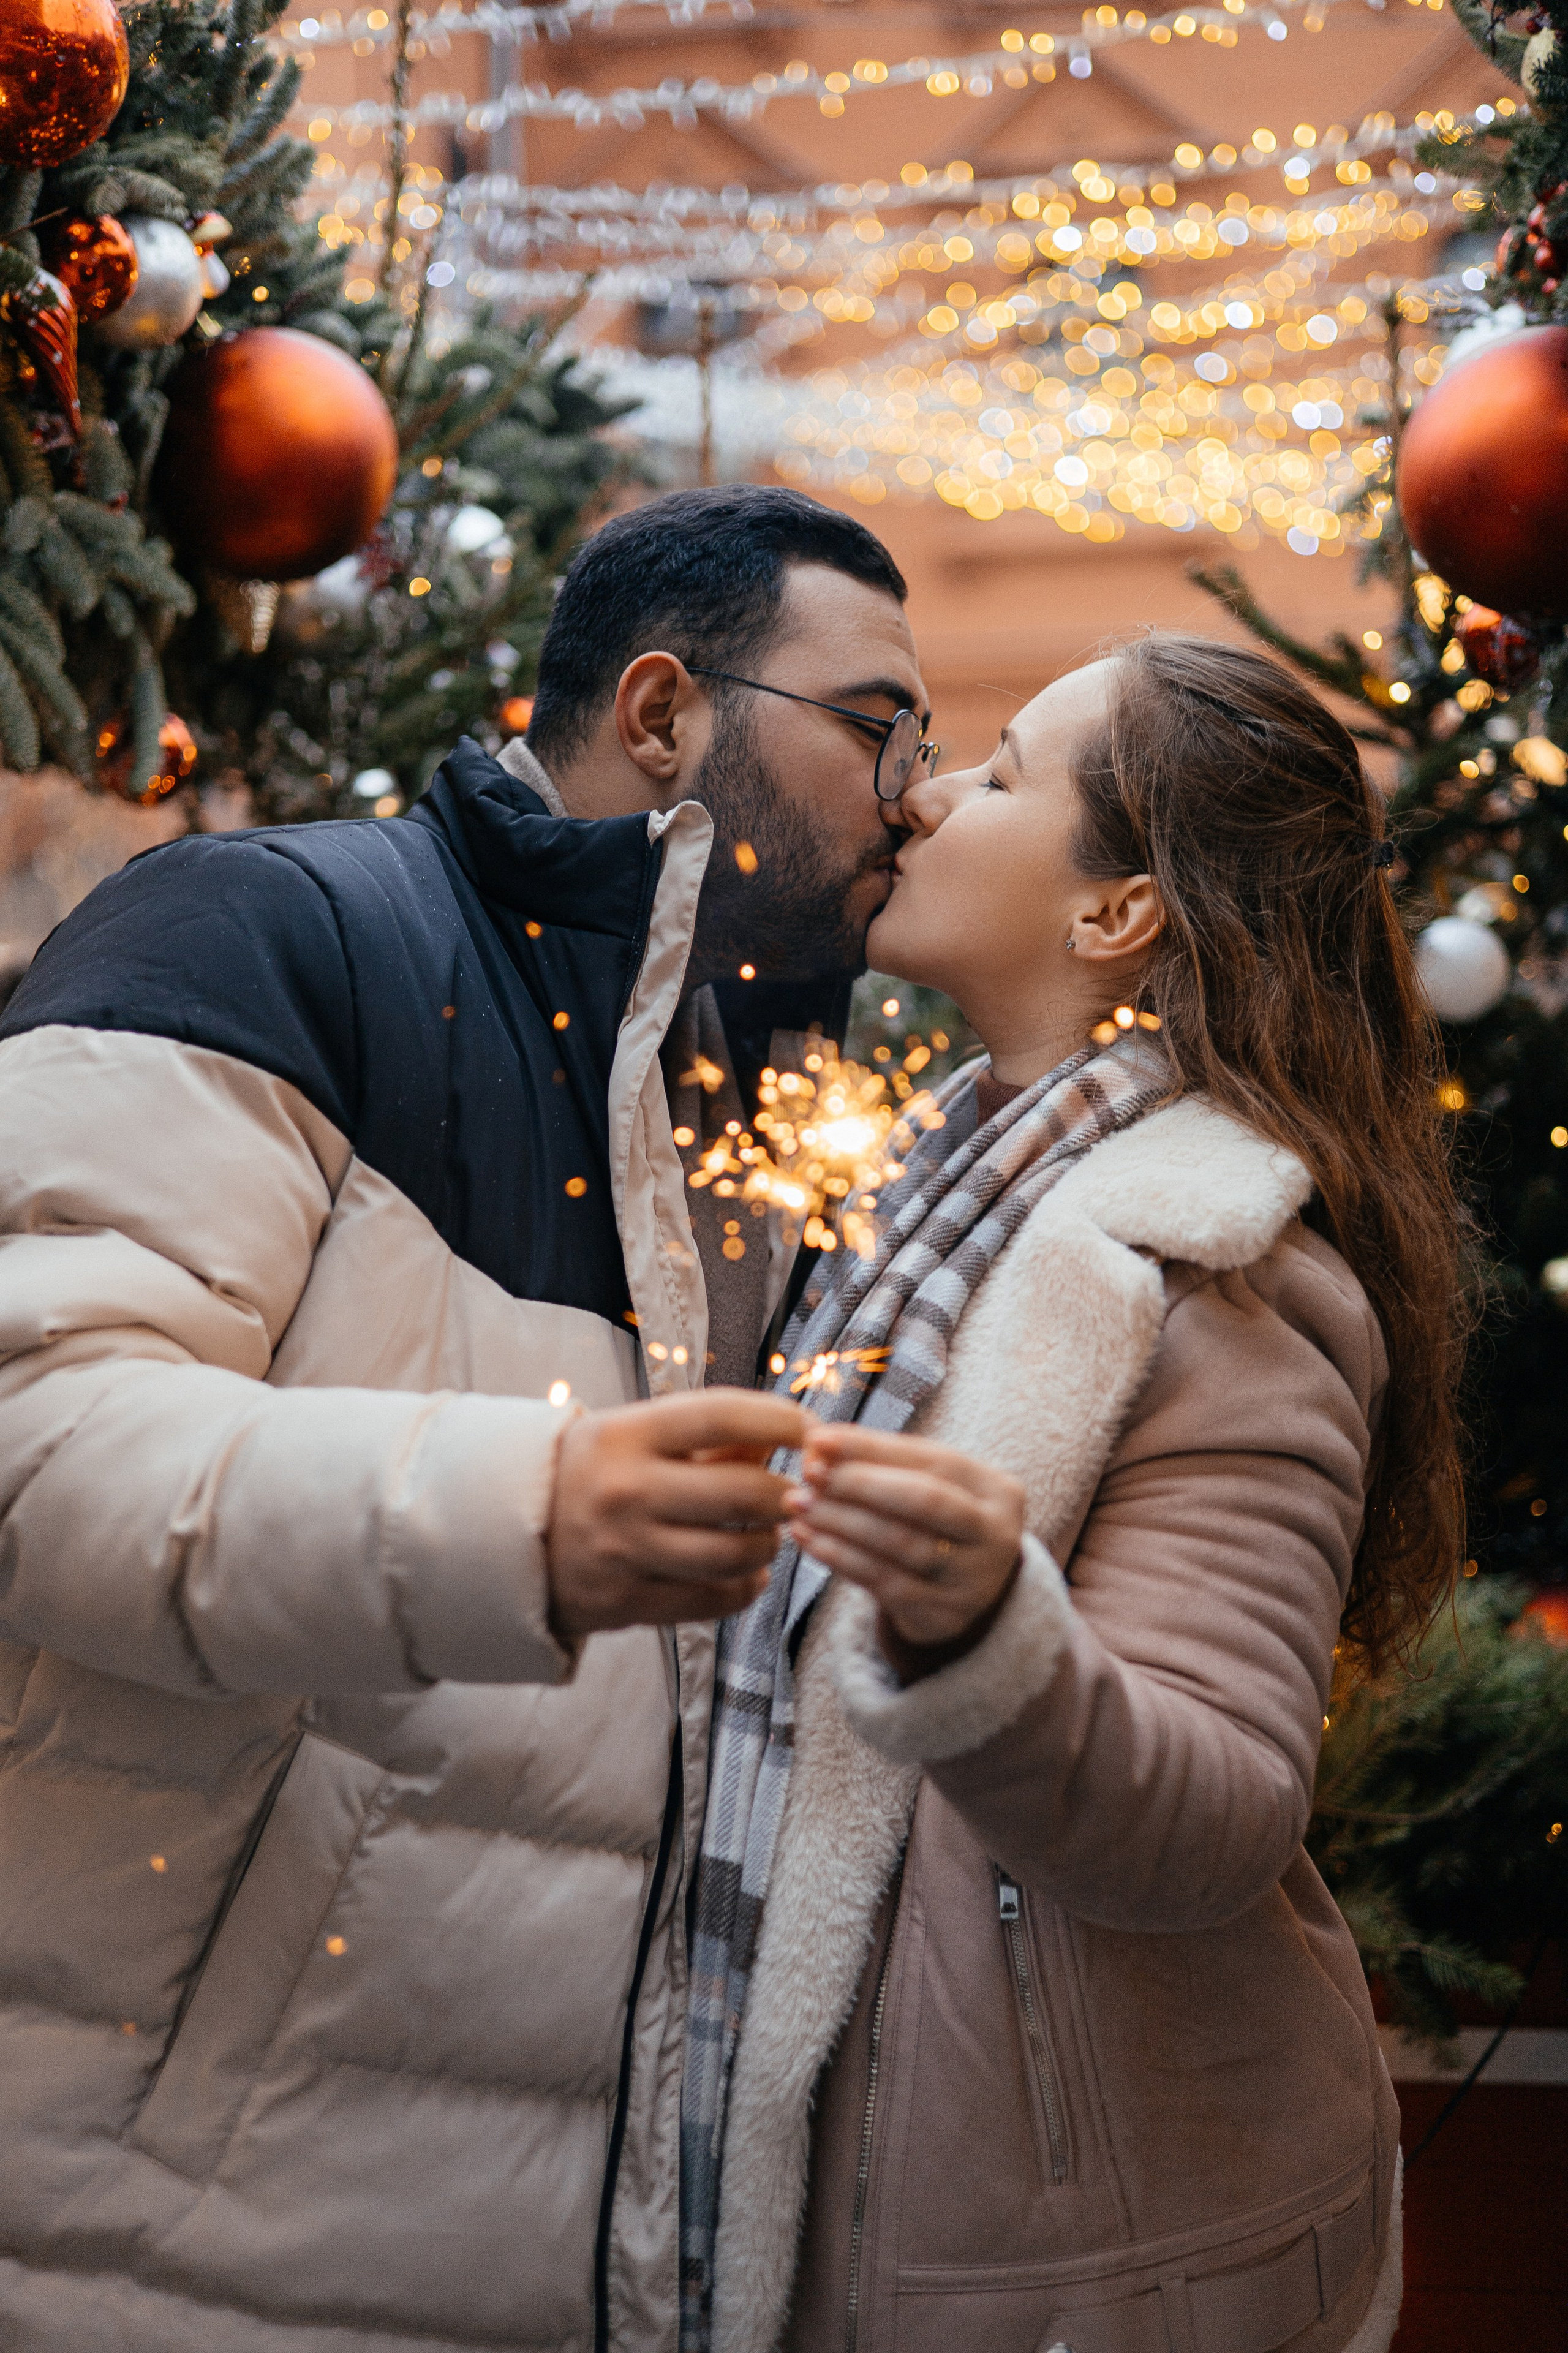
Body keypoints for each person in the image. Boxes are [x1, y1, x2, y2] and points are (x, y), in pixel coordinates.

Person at [0, 485, 935, 2352]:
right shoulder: (271, 925)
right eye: (880, 725)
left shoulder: (762, 1126)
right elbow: (42, 1442)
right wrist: (531, 1513)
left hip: (539, 2271)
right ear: (663, 715)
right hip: (163, 2246)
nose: (918, 793)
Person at [689, 635, 1464, 2353]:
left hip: (1075, 2260)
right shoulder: (929, 1194)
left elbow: (1217, 1813)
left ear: (1118, 915)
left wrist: (986, 1632)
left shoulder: (1221, 1286)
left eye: (1008, 775)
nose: (932, 791)